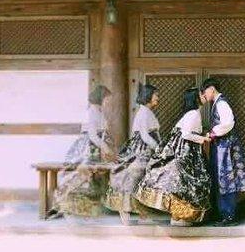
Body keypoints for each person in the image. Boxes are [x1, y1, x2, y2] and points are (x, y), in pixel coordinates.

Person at [133, 88, 212, 226]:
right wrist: (203, 139)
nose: (203, 95)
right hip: (185, 150)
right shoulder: (193, 113)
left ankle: (179, 217)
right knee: (186, 182)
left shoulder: (192, 113)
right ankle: (179, 217)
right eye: (200, 94)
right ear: (195, 98)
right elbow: (186, 134)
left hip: (184, 149)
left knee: (184, 184)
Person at [47, 85, 114, 219]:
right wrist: (105, 147)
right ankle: (59, 205)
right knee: (79, 176)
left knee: (95, 176)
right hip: (86, 149)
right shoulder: (91, 112)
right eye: (106, 98)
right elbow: (93, 135)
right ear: (100, 98)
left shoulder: (98, 112)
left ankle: (90, 207)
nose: (108, 101)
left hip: (95, 148)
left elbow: (102, 133)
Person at [105, 83, 160, 224]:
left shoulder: (147, 112)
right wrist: (158, 148)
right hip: (141, 151)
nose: (157, 98)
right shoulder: (143, 112)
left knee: (144, 181)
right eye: (155, 95)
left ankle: (143, 214)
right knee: (135, 180)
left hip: (147, 150)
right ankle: (125, 210)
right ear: (148, 96)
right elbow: (145, 136)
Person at [201, 78, 245, 226]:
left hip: (226, 147)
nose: (204, 95)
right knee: (222, 179)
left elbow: (228, 123)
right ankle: (224, 214)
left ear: (212, 89)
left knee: (226, 179)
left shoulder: (221, 103)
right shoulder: (217, 103)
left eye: (205, 91)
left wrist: (213, 133)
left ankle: (229, 215)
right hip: (222, 146)